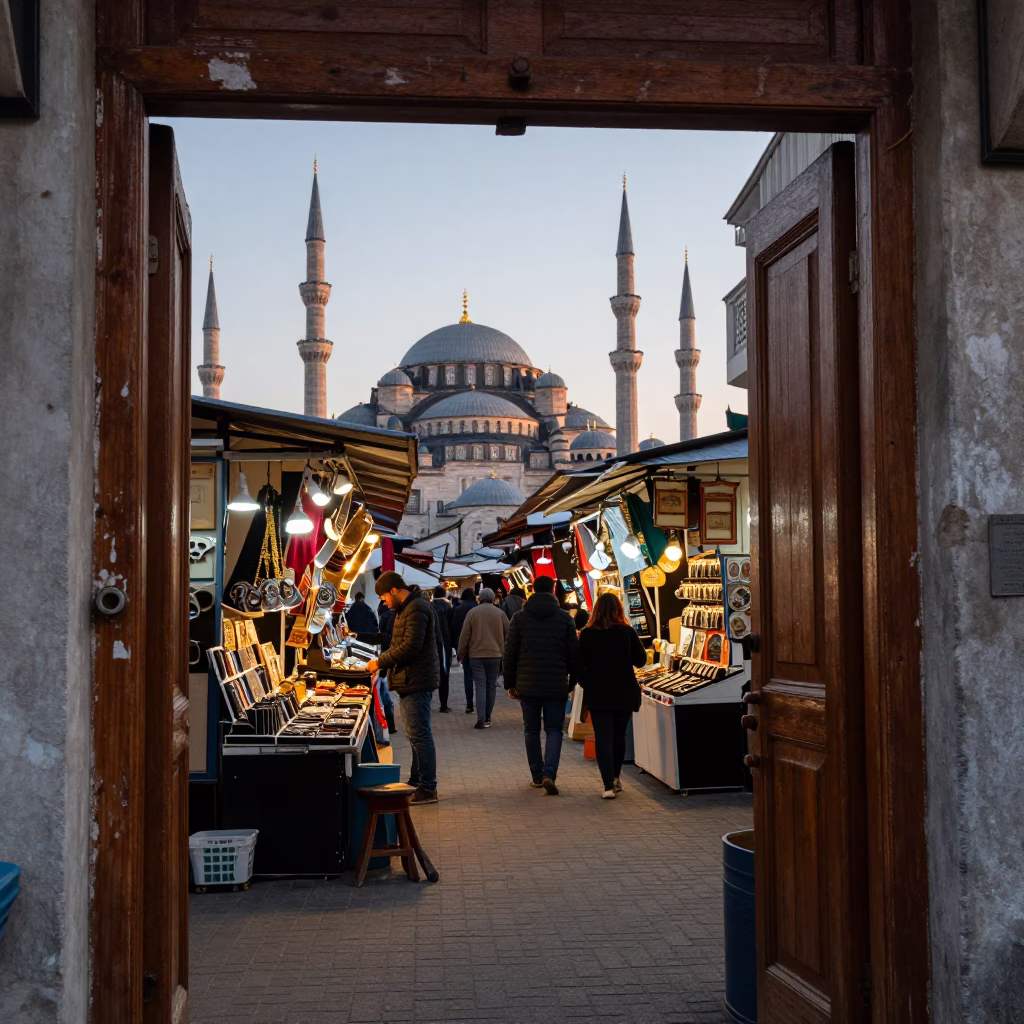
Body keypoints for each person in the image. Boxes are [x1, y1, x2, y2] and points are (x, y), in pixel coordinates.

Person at [359, 571, 440, 804]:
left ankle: (428, 786)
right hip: (411, 679)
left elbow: (410, 647)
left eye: (384, 597)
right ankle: (417, 780)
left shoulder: (416, 608)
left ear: (394, 590)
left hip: (417, 679)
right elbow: (396, 642)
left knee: (420, 734)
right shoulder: (407, 608)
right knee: (415, 734)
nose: (383, 602)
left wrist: (379, 662)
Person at [502, 575, 578, 794]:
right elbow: (574, 653)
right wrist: (572, 681)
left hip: (527, 684)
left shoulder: (519, 618)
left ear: (532, 590)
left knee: (531, 730)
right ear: (554, 590)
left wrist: (510, 683)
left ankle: (536, 775)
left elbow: (510, 653)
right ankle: (549, 773)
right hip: (556, 683)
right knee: (555, 730)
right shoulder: (565, 618)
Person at [577, 592, 647, 799]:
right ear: (618, 609)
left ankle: (607, 784)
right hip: (623, 691)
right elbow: (641, 660)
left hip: (598, 693)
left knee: (603, 738)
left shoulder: (587, 634)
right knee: (619, 736)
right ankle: (616, 778)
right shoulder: (626, 631)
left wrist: (587, 682)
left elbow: (579, 665)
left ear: (596, 609)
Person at [457, 587, 508, 729]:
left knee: (480, 685)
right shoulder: (500, 613)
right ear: (493, 599)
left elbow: (465, 635)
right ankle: (487, 717)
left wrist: (461, 653)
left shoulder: (472, 613)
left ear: (480, 598)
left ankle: (480, 717)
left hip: (476, 655)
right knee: (491, 686)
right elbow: (509, 633)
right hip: (495, 655)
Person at [450, 588, 478, 715]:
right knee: (480, 678)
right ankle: (482, 704)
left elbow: (454, 630)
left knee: (468, 676)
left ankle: (469, 704)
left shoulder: (458, 610)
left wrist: (457, 648)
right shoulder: (479, 608)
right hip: (479, 647)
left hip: (465, 647)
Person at [430, 586, 454, 713]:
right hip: (445, 644)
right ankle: (443, 705)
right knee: (445, 674)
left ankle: (427, 703)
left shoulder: (428, 606)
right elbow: (451, 626)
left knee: (429, 674)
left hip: (430, 644)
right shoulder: (448, 607)